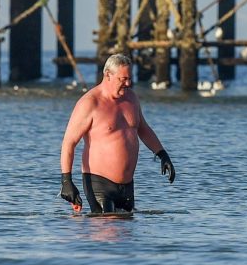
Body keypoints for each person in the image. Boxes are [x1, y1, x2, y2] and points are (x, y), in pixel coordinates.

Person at [59, 53, 176, 214]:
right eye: (123, 79)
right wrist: (67, 181)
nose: (128, 83)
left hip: (127, 186)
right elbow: (69, 143)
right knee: (108, 232)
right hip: (99, 184)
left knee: (126, 236)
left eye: (129, 78)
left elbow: (143, 128)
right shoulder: (90, 103)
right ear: (108, 75)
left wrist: (162, 154)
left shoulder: (131, 98)